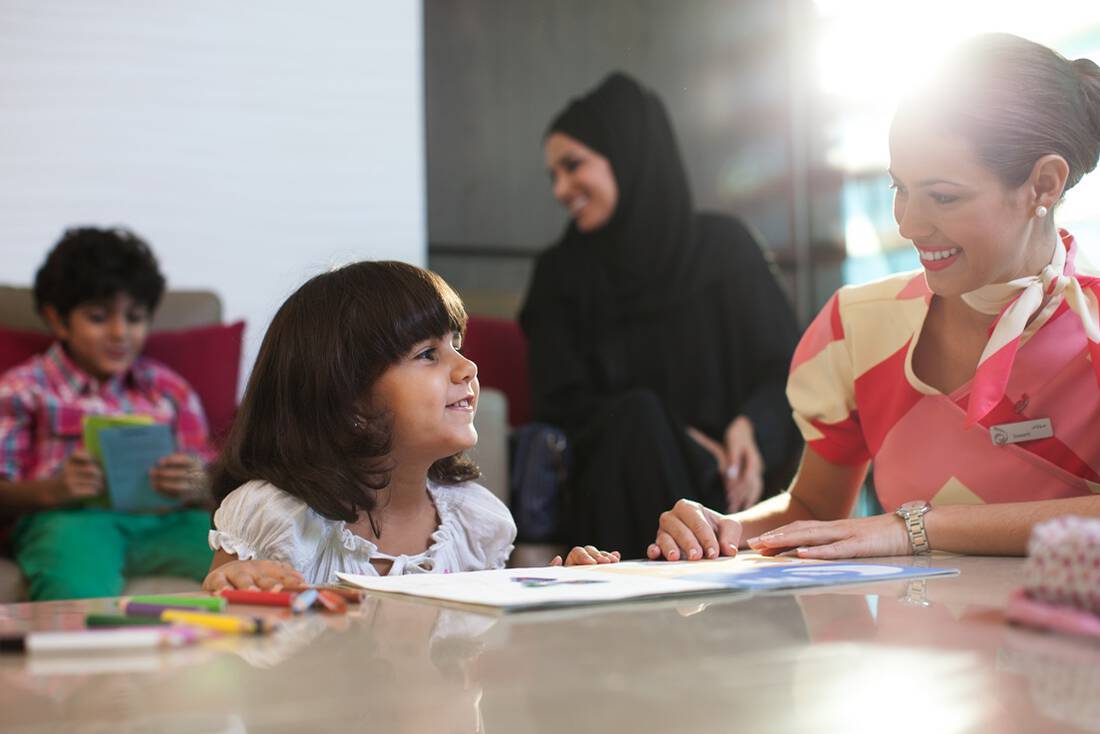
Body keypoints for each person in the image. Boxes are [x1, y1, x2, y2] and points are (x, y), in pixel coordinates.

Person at [647, 34, 1100, 562]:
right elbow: (813, 507)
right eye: (899, 188)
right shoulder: (861, 325)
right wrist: (723, 528)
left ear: (1044, 185)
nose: (908, 224)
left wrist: (916, 529)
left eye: (943, 196)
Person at [520, 72, 802, 557]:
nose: (561, 189)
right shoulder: (560, 275)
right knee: (639, 418)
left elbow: (789, 371)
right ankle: (683, 569)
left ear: (626, 155)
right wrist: (680, 437)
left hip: (730, 484)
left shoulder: (725, 249)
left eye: (573, 165)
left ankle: (700, 555)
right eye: (554, 176)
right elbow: (558, 402)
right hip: (612, 481)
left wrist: (751, 429)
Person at [203, 261, 616, 592]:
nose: (468, 367)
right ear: (349, 400)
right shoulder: (274, 517)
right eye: (427, 354)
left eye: (457, 345)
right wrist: (234, 590)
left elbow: (485, 654)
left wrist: (559, 593)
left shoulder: (478, 522)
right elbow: (218, 641)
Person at [0, 227, 214, 600]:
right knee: (73, 579)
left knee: (242, 553)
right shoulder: (24, 389)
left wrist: (194, 481)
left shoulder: (170, 390)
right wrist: (53, 490)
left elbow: (212, 476)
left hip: (166, 523)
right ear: (58, 320)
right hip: (70, 521)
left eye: (134, 317)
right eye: (99, 317)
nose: (119, 333)